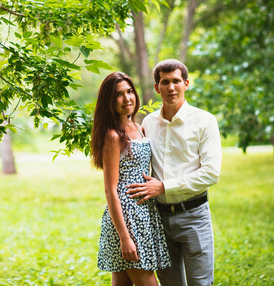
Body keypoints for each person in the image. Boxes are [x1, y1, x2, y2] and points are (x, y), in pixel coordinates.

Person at [126, 59, 222, 286]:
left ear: (186, 83)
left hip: (194, 216)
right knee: (170, 284)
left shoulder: (205, 121)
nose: (171, 87)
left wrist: (164, 186)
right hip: (158, 218)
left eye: (176, 81)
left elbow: (211, 173)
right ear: (157, 87)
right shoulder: (148, 123)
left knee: (200, 283)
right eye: (165, 82)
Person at [91, 72, 171, 286]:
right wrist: (125, 237)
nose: (127, 98)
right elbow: (110, 190)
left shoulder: (137, 127)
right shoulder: (113, 136)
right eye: (119, 94)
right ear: (109, 101)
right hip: (127, 217)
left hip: (145, 213)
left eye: (129, 92)